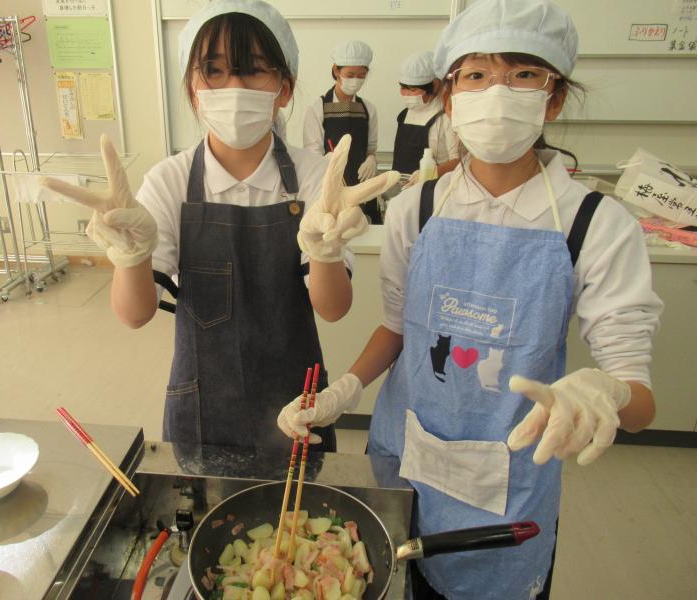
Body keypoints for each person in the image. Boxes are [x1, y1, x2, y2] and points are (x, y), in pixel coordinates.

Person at [278, 0, 664, 598]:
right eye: (476, 74)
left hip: (507, 491)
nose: (497, 92)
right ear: (451, 97)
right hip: (406, 457)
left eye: (523, 74)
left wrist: (608, 392)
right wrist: (345, 390)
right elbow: (398, 328)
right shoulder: (416, 208)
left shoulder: (595, 225)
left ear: (554, 97)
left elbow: (640, 401)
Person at [43, 0, 397, 452]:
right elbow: (135, 315)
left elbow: (332, 309)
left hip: (297, 402)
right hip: (201, 404)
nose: (234, 87)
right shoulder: (170, 181)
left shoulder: (315, 177)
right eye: (214, 71)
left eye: (253, 70)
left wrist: (324, 251)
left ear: (284, 89)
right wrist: (131, 257)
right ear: (193, 89)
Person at [303, 40, 383, 224]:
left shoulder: (368, 109)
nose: (355, 80)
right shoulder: (317, 109)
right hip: (328, 187)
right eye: (350, 74)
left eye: (361, 75)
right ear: (336, 71)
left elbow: (371, 147)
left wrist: (372, 159)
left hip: (362, 187)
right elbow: (312, 154)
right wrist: (326, 162)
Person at [393, 50, 460, 187]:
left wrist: (432, 173)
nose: (406, 94)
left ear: (435, 86)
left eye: (412, 90)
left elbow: (458, 161)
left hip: (435, 188)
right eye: (403, 88)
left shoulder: (447, 117)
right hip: (401, 186)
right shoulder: (404, 115)